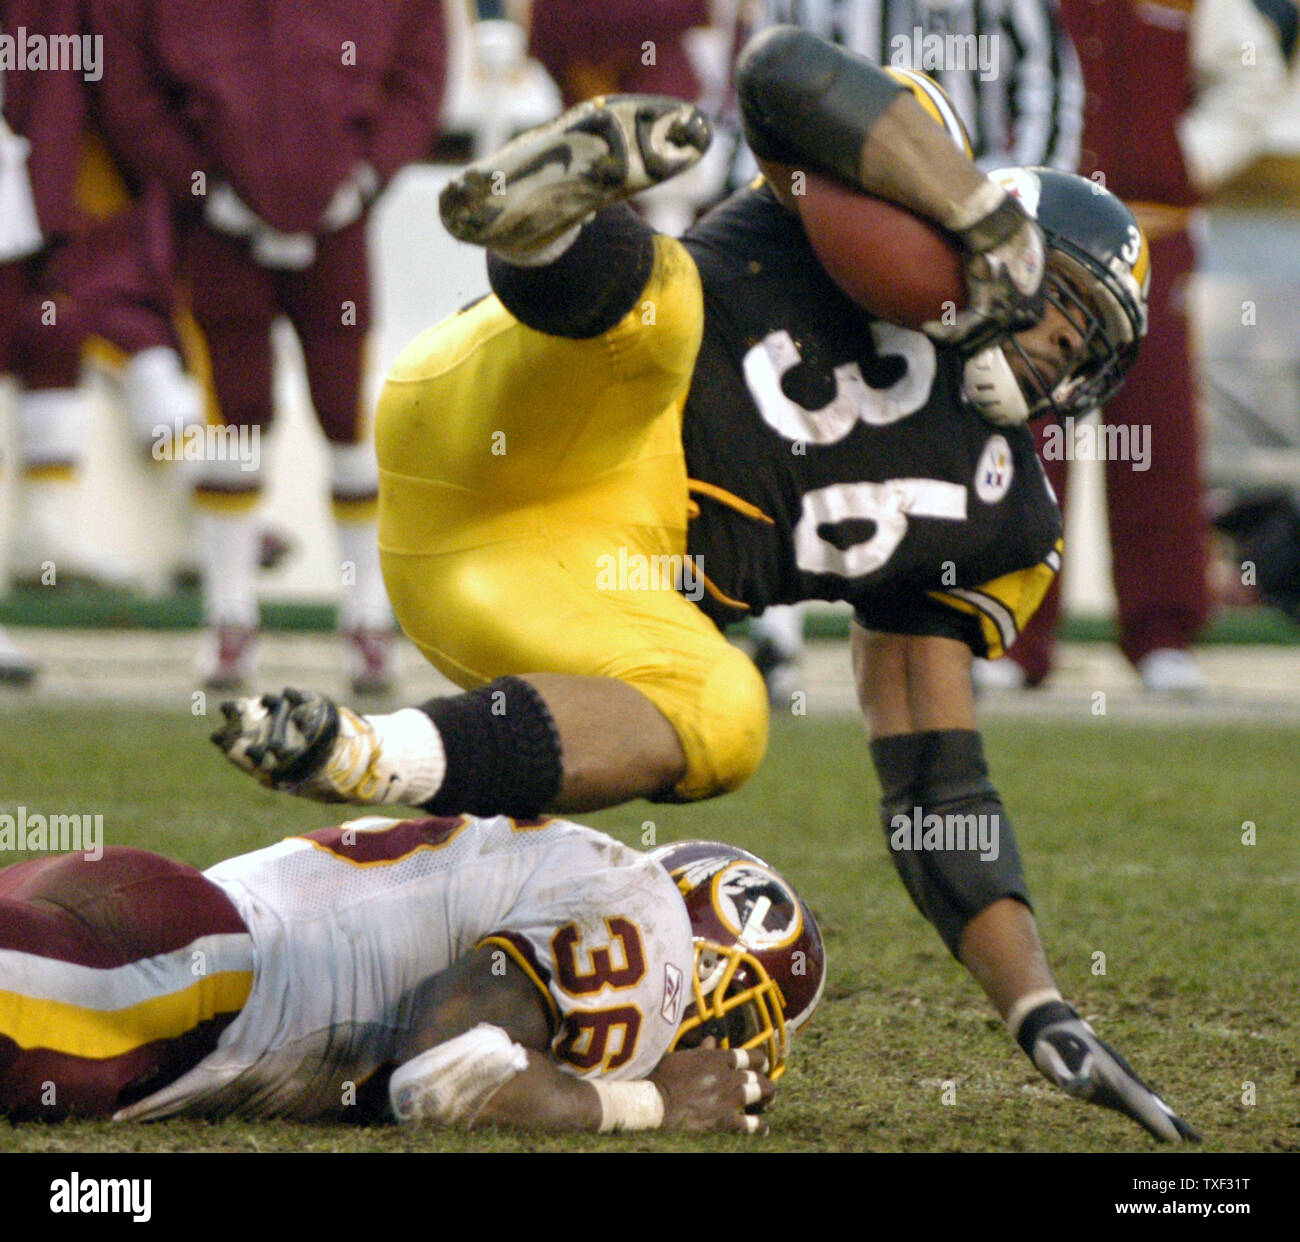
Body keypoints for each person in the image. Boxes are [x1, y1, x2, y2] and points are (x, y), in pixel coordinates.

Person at [215, 27, 1198, 1142]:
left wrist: (1037, 1007)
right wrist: (968, 217)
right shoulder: (897, 202)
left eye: (1086, 344)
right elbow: (782, 72)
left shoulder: (999, 519)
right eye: (1058, 304)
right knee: (666, 312)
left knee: (728, 715)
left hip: (542, 581)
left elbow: (936, 785)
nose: (1057, 347)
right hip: (506, 415)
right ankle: (547, 225)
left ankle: (363, 751)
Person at [0, 814, 822, 1131]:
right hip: (179, 981)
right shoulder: (642, 920)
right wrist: (650, 1102)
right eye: (745, 1020)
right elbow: (449, 1069)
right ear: (707, 970)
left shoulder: (597, 879)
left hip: (158, 927)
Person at [88, 0, 449, 693]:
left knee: (345, 411)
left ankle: (368, 616)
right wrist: (201, 183)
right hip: (219, 227)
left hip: (337, 215)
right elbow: (132, 91)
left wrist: (370, 173)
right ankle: (230, 617)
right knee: (235, 414)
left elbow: (420, 71)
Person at [998, 0, 1291, 693]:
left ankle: (1164, 633)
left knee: (1158, 431)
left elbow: (1255, 74)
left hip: (1154, 236)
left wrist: (1188, 154)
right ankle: (1013, 631)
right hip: (1039, 243)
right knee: (1030, 430)